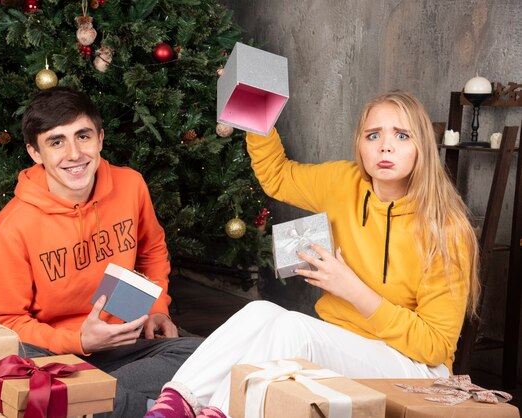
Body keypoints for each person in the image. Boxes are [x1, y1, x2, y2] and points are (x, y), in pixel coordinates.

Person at [144, 91, 480, 418]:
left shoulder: (446, 230)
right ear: (360, 145)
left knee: (293, 328)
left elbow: (434, 345)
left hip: (415, 369)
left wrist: (350, 288)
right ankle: (174, 405)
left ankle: (219, 414)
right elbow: (277, 176)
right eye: (373, 135)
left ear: (422, 146)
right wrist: (250, 101)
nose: (385, 146)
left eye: (402, 135)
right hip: (343, 344)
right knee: (258, 312)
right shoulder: (343, 183)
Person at [0, 87, 203, 418]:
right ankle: (121, 404)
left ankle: (84, 401)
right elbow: (5, 321)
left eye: (82, 136)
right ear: (35, 153)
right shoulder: (10, 226)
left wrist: (159, 309)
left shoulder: (130, 185)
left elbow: (152, 250)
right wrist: (78, 342)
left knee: (209, 352)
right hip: (53, 353)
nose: (74, 154)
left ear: (100, 139)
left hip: (124, 345)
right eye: (56, 142)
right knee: (15, 357)